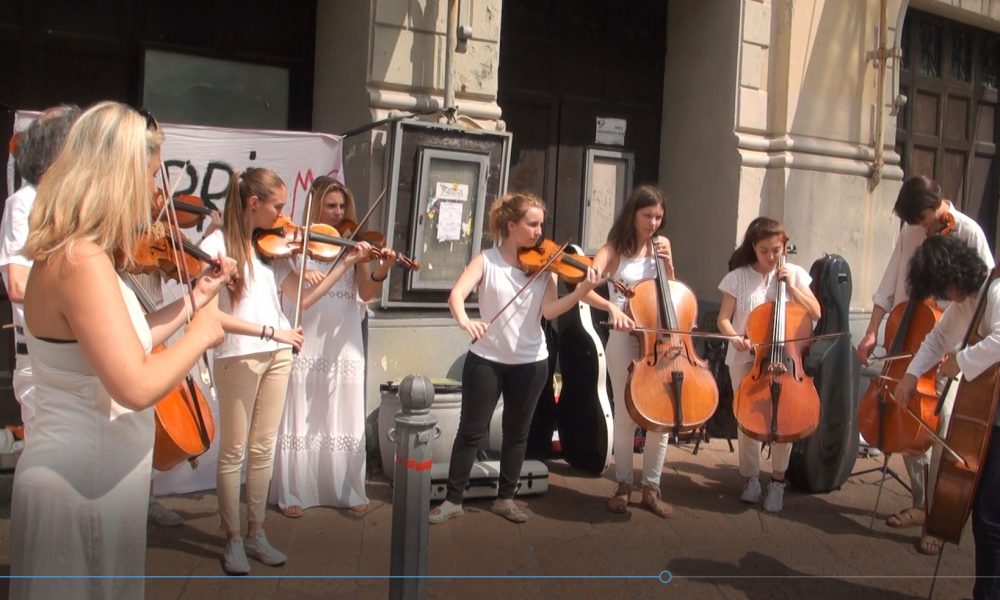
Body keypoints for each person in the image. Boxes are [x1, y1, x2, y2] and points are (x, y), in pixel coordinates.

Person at [10, 101, 234, 600]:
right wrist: (200, 334)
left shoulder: (78, 252)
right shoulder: (82, 260)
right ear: (116, 176)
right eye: (150, 177)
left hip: (96, 483)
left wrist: (194, 301)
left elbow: (126, 339)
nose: (156, 193)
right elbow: (134, 385)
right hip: (82, 489)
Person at [199, 167, 370, 575]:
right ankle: (232, 539)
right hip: (239, 353)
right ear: (253, 204)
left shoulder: (268, 248)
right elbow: (210, 318)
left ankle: (256, 531)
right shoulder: (215, 243)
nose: (283, 215)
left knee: (261, 449)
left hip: (277, 351)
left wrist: (345, 263)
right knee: (234, 452)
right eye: (276, 206)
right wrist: (270, 329)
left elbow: (304, 298)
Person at [430, 192, 602, 524]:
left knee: (517, 432)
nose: (539, 231)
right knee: (471, 431)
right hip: (486, 359)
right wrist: (466, 321)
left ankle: (505, 498)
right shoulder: (486, 260)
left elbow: (549, 310)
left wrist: (580, 293)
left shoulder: (547, 265)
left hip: (531, 361)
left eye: (541, 224)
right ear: (512, 225)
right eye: (532, 224)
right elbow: (456, 295)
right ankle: (453, 499)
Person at [856, 175, 994, 554]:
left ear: (939, 205)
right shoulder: (913, 234)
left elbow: (982, 310)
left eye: (926, 220)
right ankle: (921, 504)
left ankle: (938, 517)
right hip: (916, 336)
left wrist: (964, 358)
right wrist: (878, 338)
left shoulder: (971, 238)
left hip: (960, 350)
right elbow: (892, 285)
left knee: (943, 429)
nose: (923, 228)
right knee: (907, 419)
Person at [270, 176, 396, 518]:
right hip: (308, 331)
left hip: (344, 332)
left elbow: (366, 294)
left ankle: (347, 486)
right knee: (303, 404)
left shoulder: (353, 242)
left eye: (342, 206)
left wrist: (381, 267)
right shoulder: (297, 242)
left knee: (341, 404)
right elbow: (302, 299)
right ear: (316, 206)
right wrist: (340, 263)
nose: (339, 213)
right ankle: (295, 487)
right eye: (331, 205)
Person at [893, 234, 999, 599]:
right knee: (987, 517)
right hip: (986, 417)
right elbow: (937, 340)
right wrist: (909, 376)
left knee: (989, 517)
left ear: (956, 276)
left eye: (943, 288)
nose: (943, 298)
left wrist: (962, 360)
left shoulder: (995, 292)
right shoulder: (965, 303)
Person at [716, 216, 821, 513]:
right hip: (745, 358)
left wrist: (792, 287)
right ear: (754, 247)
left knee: (785, 420)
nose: (772, 256)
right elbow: (723, 318)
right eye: (765, 250)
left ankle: (777, 481)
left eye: (777, 250)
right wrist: (736, 337)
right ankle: (751, 479)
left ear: (784, 247)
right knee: (748, 422)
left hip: (785, 361)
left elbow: (814, 312)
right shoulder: (737, 277)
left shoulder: (795, 273)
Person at [583, 184, 675, 517]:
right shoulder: (613, 249)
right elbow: (585, 289)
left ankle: (651, 487)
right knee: (626, 415)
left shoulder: (662, 247)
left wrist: (668, 264)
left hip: (660, 340)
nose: (654, 223)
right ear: (633, 214)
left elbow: (672, 294)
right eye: (648, 215)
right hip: (624, 337)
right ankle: (623, 483)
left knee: (660, 419)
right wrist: (613, 308)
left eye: (659, 217)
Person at [0, 104, 80, 438]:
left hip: (79, 354)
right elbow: (17, 285)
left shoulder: (76, 204)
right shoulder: (23, 202)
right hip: (41, 356)